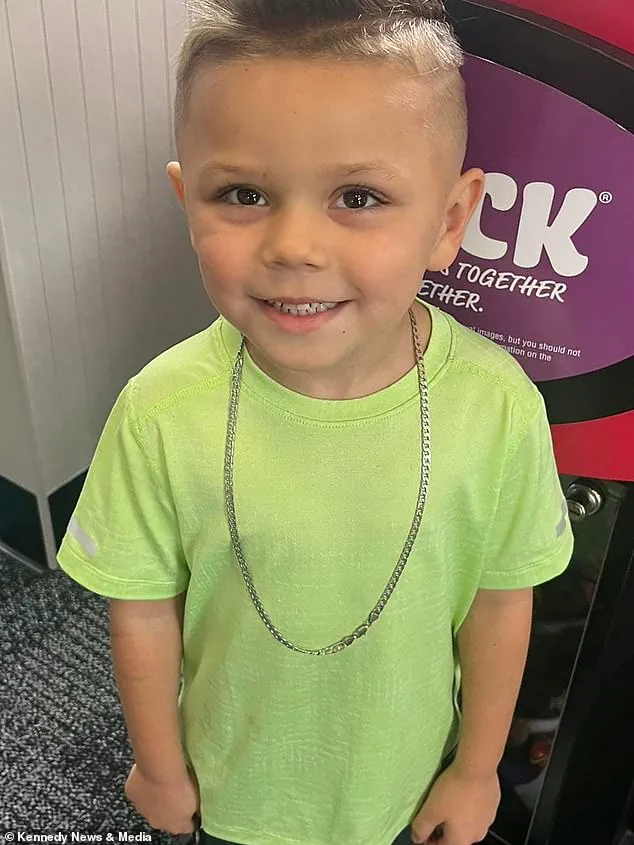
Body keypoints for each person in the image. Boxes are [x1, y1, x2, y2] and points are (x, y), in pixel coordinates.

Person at [56, 1, 574, 844]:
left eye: (357, 196)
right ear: (187, 201)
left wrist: (477, 768)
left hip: (406, 788)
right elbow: (143, 609)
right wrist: (158, 765)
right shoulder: (159, 411)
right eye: (243, 194)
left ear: (449, 221)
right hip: (230, 789)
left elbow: (499, 599)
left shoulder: (497, 405)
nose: (294, 245)